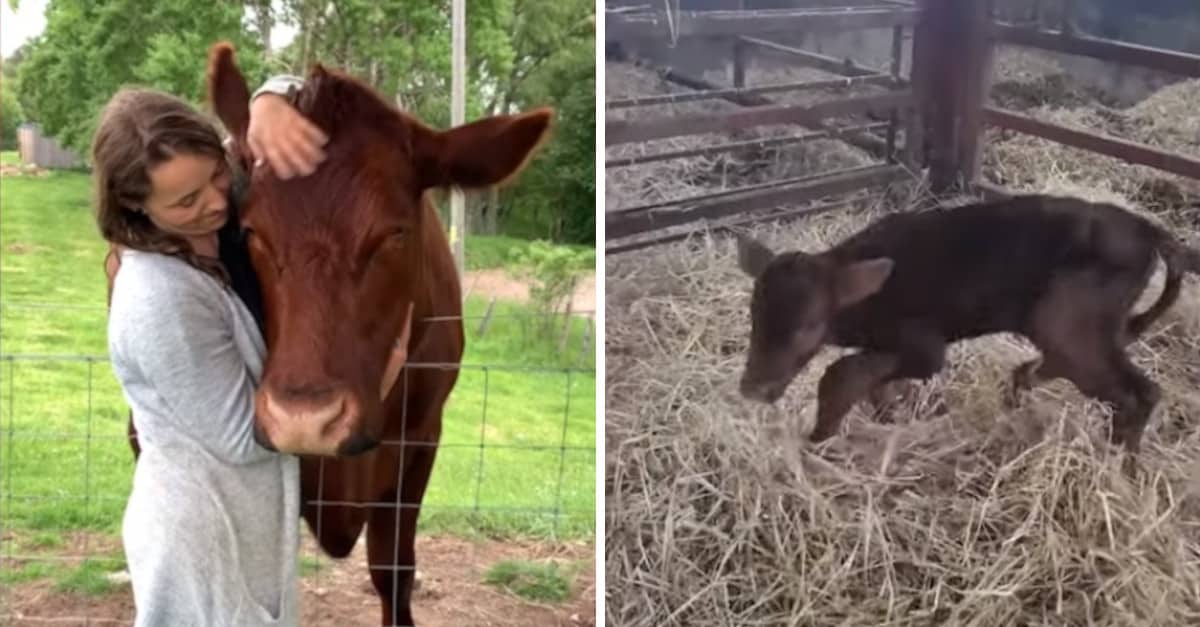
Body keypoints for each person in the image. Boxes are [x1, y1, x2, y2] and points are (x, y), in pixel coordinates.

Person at [94, 76, 410, 625]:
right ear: (133, 204)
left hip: (244, 514)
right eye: (186, 200)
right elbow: (246, 438)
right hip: (202, 529)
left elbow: (288, 114)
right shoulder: (160, 297)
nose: (217, 202)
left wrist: (268, 101)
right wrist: (376, 385)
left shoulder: (214, 239)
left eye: (218, 176)